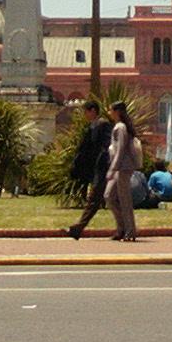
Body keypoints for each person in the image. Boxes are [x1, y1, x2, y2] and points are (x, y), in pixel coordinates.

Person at [67, 100, 113, 239]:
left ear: (93, 110)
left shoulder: (103, 125)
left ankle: (78, 228)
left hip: (103, 169)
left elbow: (105, 146)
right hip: (97, 169)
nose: (84, 115)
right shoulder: (93, 126)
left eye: (85, 111)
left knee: (95, 199)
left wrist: (102, 163)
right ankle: (125, 228)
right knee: (111, 200)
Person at [103, 100, 139, 241]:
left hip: (122, 168)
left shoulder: (121, 128)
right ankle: (122, 227)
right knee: (109, 196)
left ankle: (130, 231)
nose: (109, 113)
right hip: (119, 168)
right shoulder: (118, 127)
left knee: (124, 199)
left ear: (117, 112)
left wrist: (113, 168)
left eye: (111, 110)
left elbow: (120, 150)